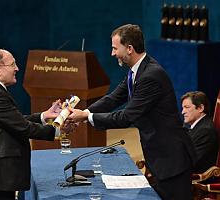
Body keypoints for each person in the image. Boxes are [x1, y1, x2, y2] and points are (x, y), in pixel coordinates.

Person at [68, 24, 196, 200]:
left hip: (171, 160)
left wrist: (87, 117)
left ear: (129, 48)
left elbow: (127, 116)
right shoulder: (136, 72)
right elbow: (113, 99)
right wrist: (83, 113)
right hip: (159, 157)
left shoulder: (151, 75)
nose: (112, 53)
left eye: (115, 48)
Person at [0, 49, 69, 200]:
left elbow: (12, 120)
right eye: (13, 64)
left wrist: (44, 116)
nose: (17, 68)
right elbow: (22, 127)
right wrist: (57, 130)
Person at [181, 91, 218, 173]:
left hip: (195, 180)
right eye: (183, 108)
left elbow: (189, 162)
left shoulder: (205, 131)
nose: (183, 112)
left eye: (187, 107)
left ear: (201, 108)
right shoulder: (197, 128)